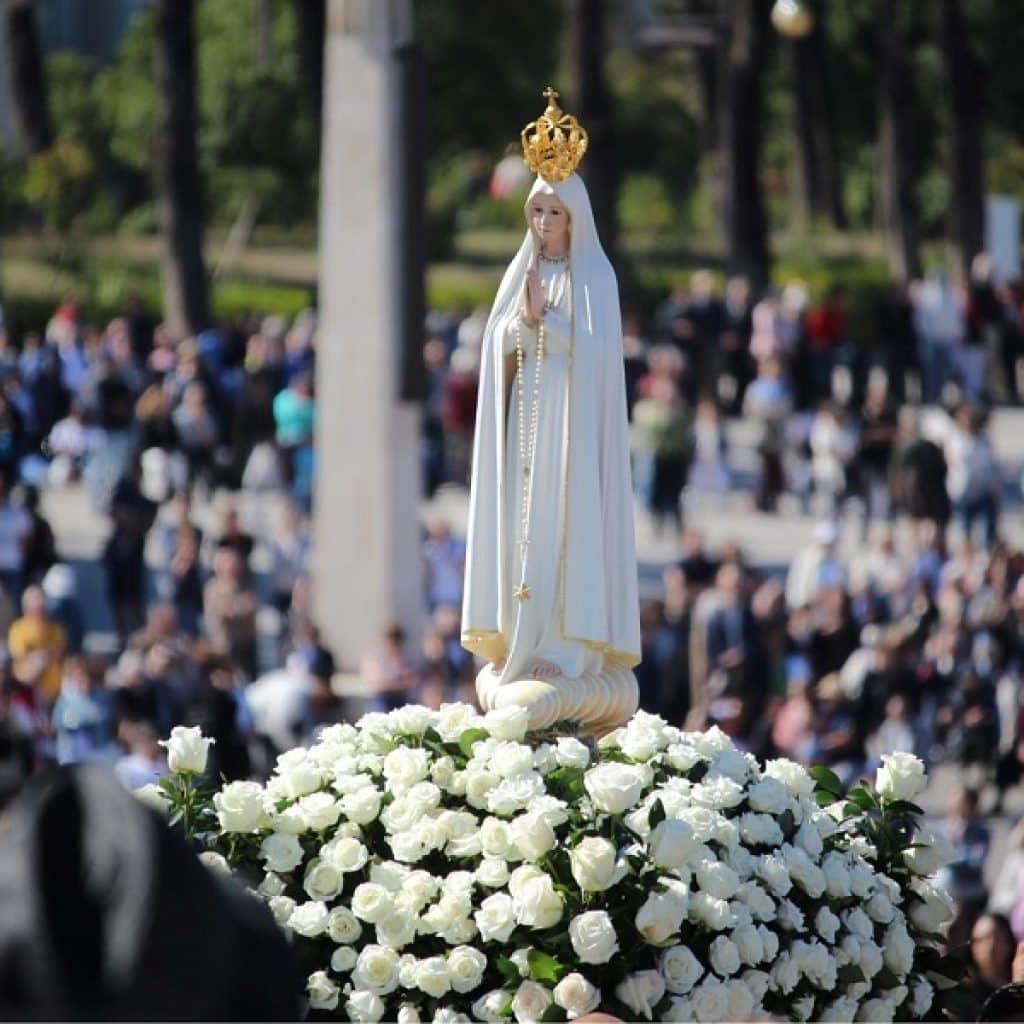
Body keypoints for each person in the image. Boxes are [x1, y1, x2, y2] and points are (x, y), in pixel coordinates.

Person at [461, 91, 641, 705]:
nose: (542, 225)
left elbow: (597, 361)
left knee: (566, 531)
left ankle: (566, 646)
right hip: (526, 430)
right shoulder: (522, 274)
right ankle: (521, 641)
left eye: (553, 214)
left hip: (573, 431)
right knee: (522, 532)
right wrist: (519, 325)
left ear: (575, 219)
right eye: (535, 213)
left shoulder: (596, 278)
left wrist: (548, 326)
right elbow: (496, 349)